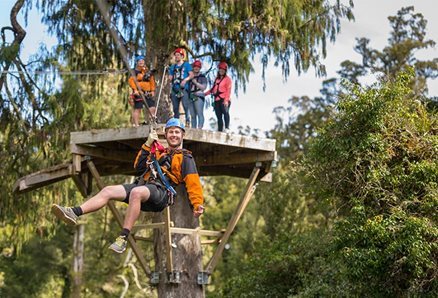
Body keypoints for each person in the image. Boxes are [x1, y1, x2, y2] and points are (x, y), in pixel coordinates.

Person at [51, 118, 205, 254]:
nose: (174, 135)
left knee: (136, 192)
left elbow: (193, 183)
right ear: (166, 134)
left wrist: (197, 204)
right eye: (171, 132)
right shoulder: (159, 152)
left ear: (182, 135)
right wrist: (147, 144)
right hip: (144, 186)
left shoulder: (186, 158)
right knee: (108, 190)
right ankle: (74, 212)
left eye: (177, 132)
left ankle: (123, 238)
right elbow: (138, 167)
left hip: (161, 193)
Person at [204, 62, 232, 132]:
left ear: (225, 71)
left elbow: (228, 91)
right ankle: (220, 130)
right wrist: (204, 94)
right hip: (217, 100)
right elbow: (213, 89)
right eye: (220, 69)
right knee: (219, 116)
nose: (221, 71)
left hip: (224, 99)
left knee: (225, 113)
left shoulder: (227, 79)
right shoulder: (217, 79)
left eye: (223, 69)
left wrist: (226, 101)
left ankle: (227, 128)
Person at [168, 48, 194, 127]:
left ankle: (188, 121)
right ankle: (176, 122)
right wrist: (169, 75)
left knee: (185, 105)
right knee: (175, 108)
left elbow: (191, 75)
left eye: (178, 55)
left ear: (182, 56)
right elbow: (170, 77)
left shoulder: (186, 65)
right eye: (175, 56)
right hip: (175, 89)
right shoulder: (173, 66)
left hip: (183, 89)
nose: (176, 57)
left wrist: (185, 80)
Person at [128, 55, 156, 127]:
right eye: (139, 61)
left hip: (147, 92)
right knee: (138, 108)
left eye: (142, 61)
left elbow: (152, 81)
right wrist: (135, 90)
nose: (141, 62)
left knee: (152, 108)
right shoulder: (134, 71)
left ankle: (151, 123)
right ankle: (136, 124)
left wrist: (152, 90)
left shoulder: (147, 71)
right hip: (139, 93)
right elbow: (131, 81)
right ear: (137, 62)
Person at [188, 60, 207, 129]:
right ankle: (193, 128)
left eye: (198, 67)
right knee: (192, 115)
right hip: (191, 96)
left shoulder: (202, 77)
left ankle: (200, 127)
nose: (196, 68)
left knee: (199, 113)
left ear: (200, 68)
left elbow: (203, 87)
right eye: (195, 67)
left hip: (199, 96)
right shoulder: (190, 77)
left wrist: (196, 83)